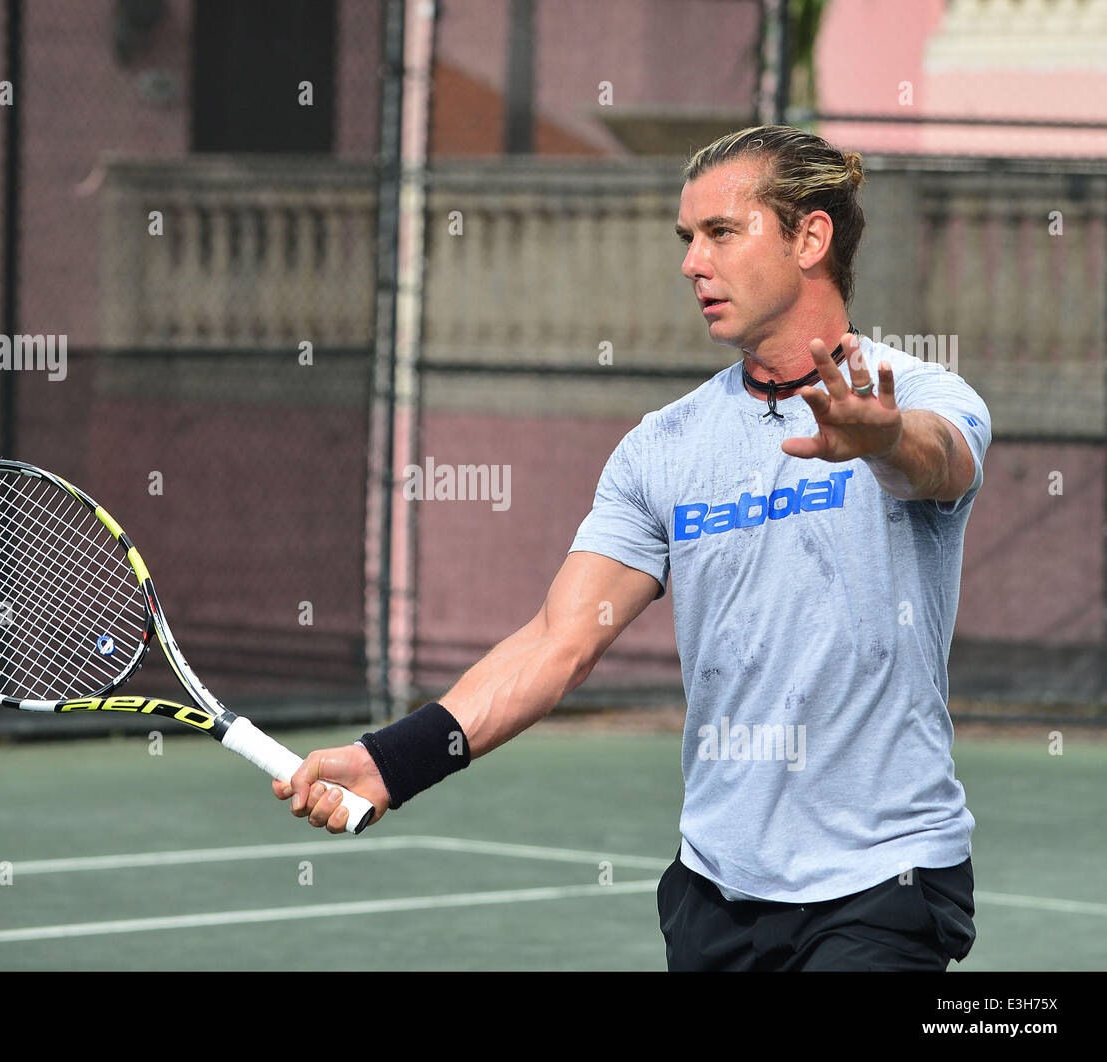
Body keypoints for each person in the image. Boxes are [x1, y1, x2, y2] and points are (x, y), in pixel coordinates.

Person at [273, 125, 988, 972]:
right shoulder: (662, 448)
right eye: (688, 239)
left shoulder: (921, 395)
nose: (693, 262)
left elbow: (937, 463)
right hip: (715, 890)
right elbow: (557, 641)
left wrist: (883, 437)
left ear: (810, 237)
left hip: (884, 887)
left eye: (722, 232)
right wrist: (394, 760)